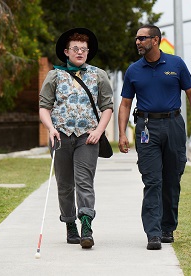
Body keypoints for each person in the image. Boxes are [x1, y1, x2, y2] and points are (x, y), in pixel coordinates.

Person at [118, 24, 191, 250]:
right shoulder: (133, 71)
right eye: (136, 38)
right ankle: (153, 233)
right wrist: (122, 134)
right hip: (147, 127)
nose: (137, 42)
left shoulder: (176, 64)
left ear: (155, 40)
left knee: (172, 179)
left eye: (142, 38)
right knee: (152, 180)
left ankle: (168, 227)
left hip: (174, 125)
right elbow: (125, 104)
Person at [39, 28, 113, 249]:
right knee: (64, 184)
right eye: (75, 49)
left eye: (84, 49)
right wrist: (51, 129)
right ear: (66, 51)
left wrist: (99, 131)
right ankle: (70, 223)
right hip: (60, 136)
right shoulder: (54, 75)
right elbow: (44, 107)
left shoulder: (98, 75)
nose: (80, 52)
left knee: (84, 182)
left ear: (88, 52)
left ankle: (87, 226)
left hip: (87, 137)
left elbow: (107, 106)